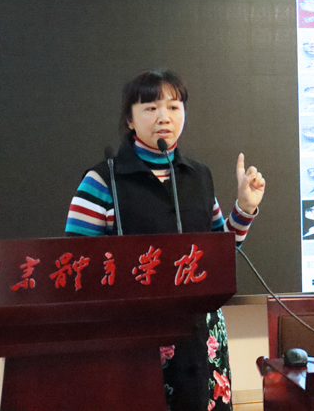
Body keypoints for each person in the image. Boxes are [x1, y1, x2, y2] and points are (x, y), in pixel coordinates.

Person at [65, 69, 266, 411]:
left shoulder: (198, 176)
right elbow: (75, 266)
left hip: (200, 338)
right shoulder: (102, 180)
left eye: (174, 107)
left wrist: (244, 209)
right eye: (150, 108)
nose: (164, 117)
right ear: (130, 119)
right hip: (133, 339)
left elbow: (220, 254)